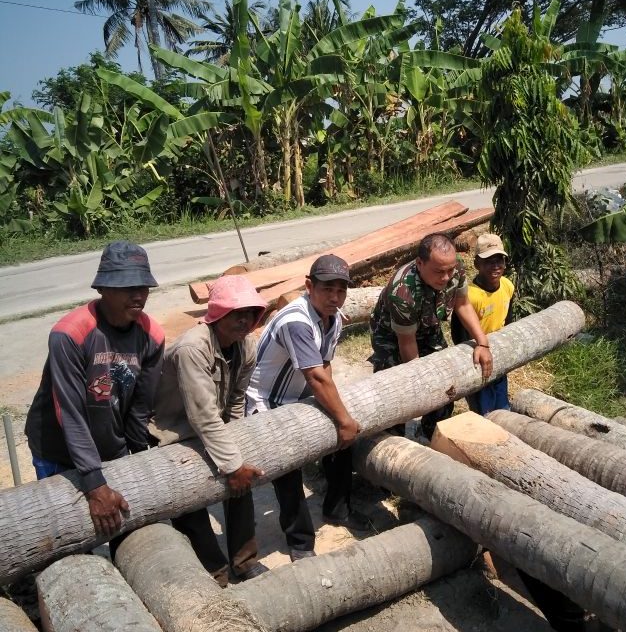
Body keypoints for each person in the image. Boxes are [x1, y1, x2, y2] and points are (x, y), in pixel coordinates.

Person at [25, 240, 164, 546]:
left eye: (143, 285)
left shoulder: (152, 336)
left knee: (124, 530)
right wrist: (93, 481)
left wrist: (136, 461)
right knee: (66, 540)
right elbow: (69, 412)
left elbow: (141, 407)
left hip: (109, 444)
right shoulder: (70, 334)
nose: (138, 294)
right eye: (127, 286)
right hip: (57, 447)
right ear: (103, 289)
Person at [246, 254, 370, 563]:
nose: (335, 297)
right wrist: (342, 418)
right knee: (287, 464)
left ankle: (337, 508)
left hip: (299, 397)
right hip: (266, 403)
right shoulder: (296, 321)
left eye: (341, 290)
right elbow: (315, 375)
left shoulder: (334, 319)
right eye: (328, 288)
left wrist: (339, 416)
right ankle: (300, 542)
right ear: (309, 286)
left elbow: (324, 366)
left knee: (342, 441)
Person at [150, 275, 268, 587]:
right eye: (235, 314)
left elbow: (238, 398)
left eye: (249, 314)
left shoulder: (247, 347)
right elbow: (202, 416)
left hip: (214, 426)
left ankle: (244, 561)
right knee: (191, 503)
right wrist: (231, 464)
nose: (243, 321)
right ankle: (216, 571)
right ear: (217, 314)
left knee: (243, 481)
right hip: (175, 433)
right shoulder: (194, 348)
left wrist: (237, 448)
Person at [369, 233, 493, 440]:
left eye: (449, 270)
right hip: (392, 336)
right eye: (438, 271)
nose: (446, 277)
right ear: (419, 263)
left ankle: (429, 435)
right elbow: (406, 343)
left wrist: (483, 343)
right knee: (396, 388)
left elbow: (462, 304)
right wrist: (420, 382)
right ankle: (391, 439)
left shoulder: (454, 268)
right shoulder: (403, 292)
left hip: (427, 326)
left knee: (445, 385)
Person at [451, 233, 514, 414]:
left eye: (499, 260)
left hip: (499, 353)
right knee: (483, 410)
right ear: (477, 264)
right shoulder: (470, 296)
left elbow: (508, 319)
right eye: (489, 261)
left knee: (502, 404)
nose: (495, 266)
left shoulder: (507, 286)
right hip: (477, 358)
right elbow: (459, 334)